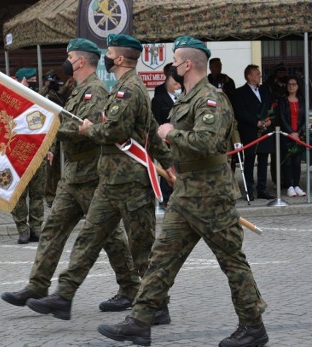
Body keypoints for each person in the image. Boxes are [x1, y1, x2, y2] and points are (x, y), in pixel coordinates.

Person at [97, 36, 268, 347]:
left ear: (188, 64)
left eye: (176, 62)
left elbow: (208, 142)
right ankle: (141, 320)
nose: (172, 67)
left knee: (231, 260)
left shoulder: (211, 99)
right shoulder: (188, 97)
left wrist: (170, 132)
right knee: (161, 256)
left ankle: (253, 325)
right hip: (187, 192)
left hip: (211, 195)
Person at [24, 33, 173, 323]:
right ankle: (64, 296)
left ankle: (158, 305)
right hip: (109, 182)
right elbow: (151, 130)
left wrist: (86, 130)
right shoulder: (122, 87)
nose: (106, 56)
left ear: (118, 58)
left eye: (110, 52)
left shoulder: (129, 89)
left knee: (141, 248)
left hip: (131, 183)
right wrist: (169, 163)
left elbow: (114, 132)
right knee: (88, 239)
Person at [1, 38, 140, 313]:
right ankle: (38, 284)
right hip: (72, 176)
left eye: (70, 56)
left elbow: (81, 130)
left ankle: (130, 287)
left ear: (79, 60)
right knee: (53, 230)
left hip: (91, 176)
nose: (66, 60)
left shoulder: (96, 92)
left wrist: (45, 129)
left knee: (109, 236)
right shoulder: (77, 90)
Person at [13, 67, 47, 243]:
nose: (33, 82)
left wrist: (50, 149)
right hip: (18, 157)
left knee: (37, 195)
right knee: (19, 196)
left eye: (35, 79)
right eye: (30, 80)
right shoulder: (12, 101)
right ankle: (22, 229)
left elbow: (51, 126)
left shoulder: (41, 101)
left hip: (38, 155)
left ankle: (36, 229)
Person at [232, 65, 276, 201]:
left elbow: (271, 107)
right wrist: (255, 122)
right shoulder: (240, 92)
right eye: (257, 74)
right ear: (249, 76)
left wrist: (269, 120)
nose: (260, 76)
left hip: (265, 131)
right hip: (250, 131)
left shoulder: (265, 90)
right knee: (250, 160)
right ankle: (249, 190)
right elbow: (240, 112)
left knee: (263, 160)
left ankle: (262, 189)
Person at [151, 73, 181, 209]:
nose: (178, 87)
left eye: (179, 84)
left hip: (181, 140)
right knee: (167, 168)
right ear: (168, 85)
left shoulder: (184, 99)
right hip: (166, 141)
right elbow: (156, 121)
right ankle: (166, 199)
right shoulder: (159, 100)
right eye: (175, 84)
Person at [40, 69, 66, 208]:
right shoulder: (43, 93)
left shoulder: (58, 93)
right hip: (50, 133)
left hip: (61, 131)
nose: (53, 84)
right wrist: (46, 88)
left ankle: (57, 194)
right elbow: (38, 100)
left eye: (54, 81)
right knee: (50, 167)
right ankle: (50, 196)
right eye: (50, 81)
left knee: (58, 167)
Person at [278, 76, 306, 197]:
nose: (291, 86)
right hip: (286, 135)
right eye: (289, 84)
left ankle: (297, 185)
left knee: (297, 162)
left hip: (299, 135)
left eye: (294, 84)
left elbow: (305, 118)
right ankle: (289, 186)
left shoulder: (302, 100)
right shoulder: (283, 100)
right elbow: (282, 118)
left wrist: (298, 133)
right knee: (288, 162)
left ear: (298, 86)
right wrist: (291, 133)